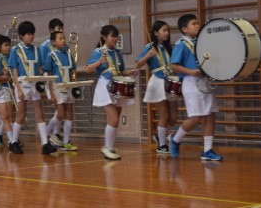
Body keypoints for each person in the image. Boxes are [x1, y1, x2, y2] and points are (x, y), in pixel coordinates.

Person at [168, 14, 223, 162]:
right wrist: (190, 72)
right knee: (194, 118)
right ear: (184, 29)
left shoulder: (200, 43)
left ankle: (207, 150)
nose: (197, 25)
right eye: (193, 23)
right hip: (191, 82)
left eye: (198, 23)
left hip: (204, 81)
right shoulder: (181, 44)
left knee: (210, 115)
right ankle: (175, 139)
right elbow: (173, 66)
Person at [86, 25, 138, 160]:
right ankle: (107, 147)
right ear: (104, 37)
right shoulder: (99, 52)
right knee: (113, 118)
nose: (115, 39)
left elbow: (121, 71)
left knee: (114, 120)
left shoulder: (117, 53)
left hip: (116, 86)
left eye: (116, 36)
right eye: (112, 36)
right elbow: (88, 69)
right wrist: (99, 62)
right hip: (105, 86)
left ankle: (110, 146)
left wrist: (130, 72)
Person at [8, 21, 58, 155]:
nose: (31, 36)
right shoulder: (15, 50)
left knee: (39, 112)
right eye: (28, 34)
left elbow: (41, 68)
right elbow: (14, 70)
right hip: (22, 84)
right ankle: (13, 142)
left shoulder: (36, 50)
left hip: (35, 84)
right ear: (21, 35)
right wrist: (18, 89)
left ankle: (45, 144)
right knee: (21, 114)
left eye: (32, 34)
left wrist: (46, 78)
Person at [136, 20, 178, 154]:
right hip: (158, 82)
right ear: (155, 33)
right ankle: (162, 145)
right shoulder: (149, 47)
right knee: (164, 115)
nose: (167, 33)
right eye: (164, 30)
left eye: (168, 30)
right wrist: (148, 55)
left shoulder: (168, 48)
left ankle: (160, 136)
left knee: (173, 118)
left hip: (170, 82)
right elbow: (138, 64)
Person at [43, 30, 78, 151]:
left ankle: (66, 141)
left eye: (64, 38)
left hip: (68, 86)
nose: (63, 40)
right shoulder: (51, 55)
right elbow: (49, 76)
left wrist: (73, 85)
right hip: (57, 87)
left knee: (69, 113)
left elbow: (72, 71)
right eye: (60, 39)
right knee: (61, 114)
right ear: (54, 42)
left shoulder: (68, 54)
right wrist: (51, 93)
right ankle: (45, 135)